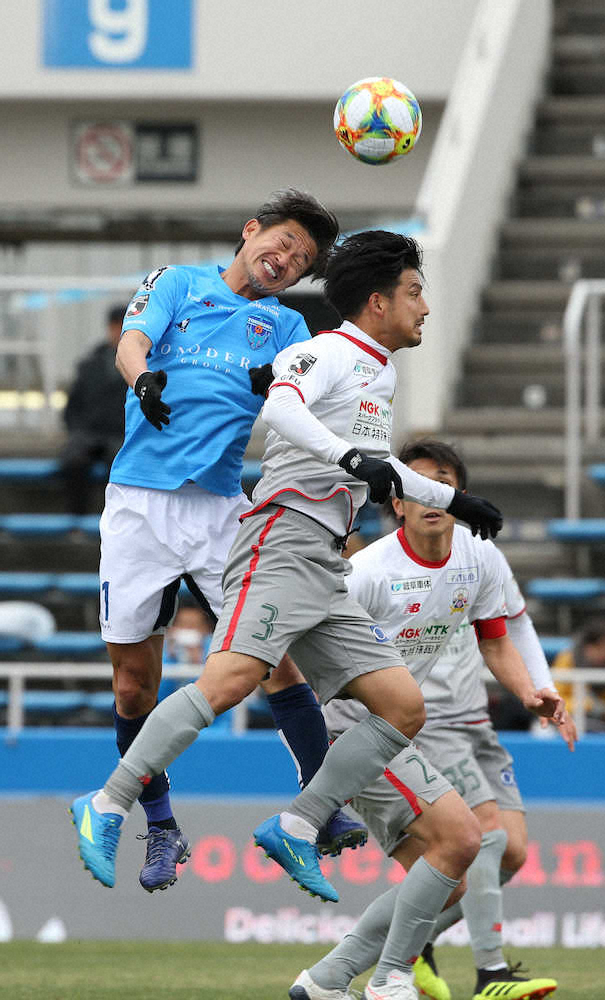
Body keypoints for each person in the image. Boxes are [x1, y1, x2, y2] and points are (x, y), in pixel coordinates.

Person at [70, 230, 508, 908]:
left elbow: (357, 449)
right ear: (377, 300)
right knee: (195, 680)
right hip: (238, 525)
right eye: (415, 293)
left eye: (305, 260)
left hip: (283, 538)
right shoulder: (284, 331)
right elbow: (280, 407)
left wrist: (452, 500)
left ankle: (302, 819)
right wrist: (346, 458)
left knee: (390, 704)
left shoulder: (352, 357)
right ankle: (116, 805)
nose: (424, 308)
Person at [76, 189, 362, 893]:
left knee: (277, 661)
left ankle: (317, 809)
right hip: (139, 504)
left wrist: (283, 390)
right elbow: (131, 343)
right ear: (251, 231)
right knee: (132, 683)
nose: (286, 261)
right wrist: (143, 383)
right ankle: (162, 825)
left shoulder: (288, 325)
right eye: (284, 242)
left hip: (221, 511)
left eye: (301, 259)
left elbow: (306, 399)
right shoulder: (178, 282)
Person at [292, 440, 569, 1000]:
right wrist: (307, 742)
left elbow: (496, 640)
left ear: (458, 497)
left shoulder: (477, 555)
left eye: (441, 483)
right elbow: (301, 643)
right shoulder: (367, 572)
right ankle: (397, 977)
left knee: (450, 877)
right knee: (469, 840)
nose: (429, 495)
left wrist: (531, 692)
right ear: (397, 503)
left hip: (399, 732)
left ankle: (328, 979)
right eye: (414, 486)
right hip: (357, 731)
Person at [58, 304, 127, 514]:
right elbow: (72, 407)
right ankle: (76, 520)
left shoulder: (143, 365)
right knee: (74, 459)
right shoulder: (90, 364)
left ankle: (114, 519)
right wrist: (78, 432)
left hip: (120, 435)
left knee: (121, 464)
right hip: (90, 433)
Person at [552, 619, 605, 731]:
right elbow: (554, 701)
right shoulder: (567, 660)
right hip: (569, 719)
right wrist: (587, 705)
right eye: (601, 647)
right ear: (589, 647)